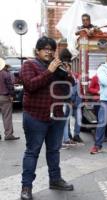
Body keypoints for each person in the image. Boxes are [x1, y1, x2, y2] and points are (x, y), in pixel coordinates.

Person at [20, 36, 74, 200]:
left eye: (51, 49)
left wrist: (67, 74)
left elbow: (68, 87)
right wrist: (49, 71)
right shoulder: (29, 65)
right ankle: (26, 187)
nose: (49, 51)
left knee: (54, 150)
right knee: (32, 152)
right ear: (38, 51)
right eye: (45, 49)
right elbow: (30, 85)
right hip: (35, 116)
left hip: (56, 115)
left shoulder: (57, 67)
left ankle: (55, 180)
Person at [0, 59, 20, 140]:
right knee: (7, 117)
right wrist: (12, 96)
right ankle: (8, 135)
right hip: (5, 97)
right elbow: (10, 86)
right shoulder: (5, 74)